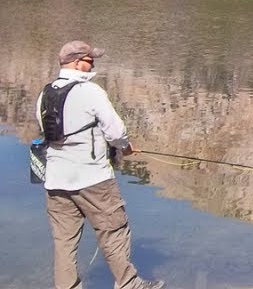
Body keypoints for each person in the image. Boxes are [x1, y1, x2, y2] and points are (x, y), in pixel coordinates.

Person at [36, 40, 164, 289]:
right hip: (93, 179)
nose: (93, 63)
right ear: (76, 63)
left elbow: (44, 130)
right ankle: (128, 284)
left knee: (64, 241)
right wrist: (125, 148)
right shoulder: (90, 91)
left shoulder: (45, 93)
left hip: (55, 181)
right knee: (114, 231)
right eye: (89, 59)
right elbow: (116, 132)